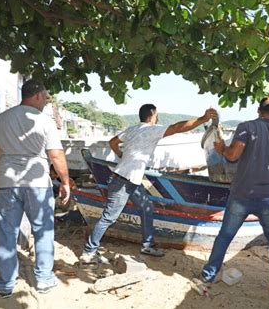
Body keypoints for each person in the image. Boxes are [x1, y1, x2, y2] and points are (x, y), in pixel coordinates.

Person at [79, 104, 218, 263]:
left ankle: (147, 245)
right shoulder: (151, 130)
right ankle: (88, 252)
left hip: (129, 180)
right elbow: (177, 127)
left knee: (146, 207)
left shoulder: (132, 129)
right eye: (156, 115)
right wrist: (203, 119)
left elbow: (112, 142)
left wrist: (121, 155)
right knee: (109, 218)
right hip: (123, 182)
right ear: (152, 116)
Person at [0, 79, 70, 298]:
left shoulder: (0, 119)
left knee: (6, 234)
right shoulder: (45, 121)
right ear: (38, 96)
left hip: (6, 182)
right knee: (43, 232)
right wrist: (66, 182)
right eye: (46, 97)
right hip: (38, 185)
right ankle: (43, 280)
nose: (46, 102)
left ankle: (5, 284)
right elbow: (56, 155)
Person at [200, 97, 269, 296]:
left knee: (225, 235)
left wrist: (221, 148)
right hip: (268, 195)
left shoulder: (246, 127)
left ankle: (209, 274)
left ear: (259, 110)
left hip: (242, 193)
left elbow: (233, 156)